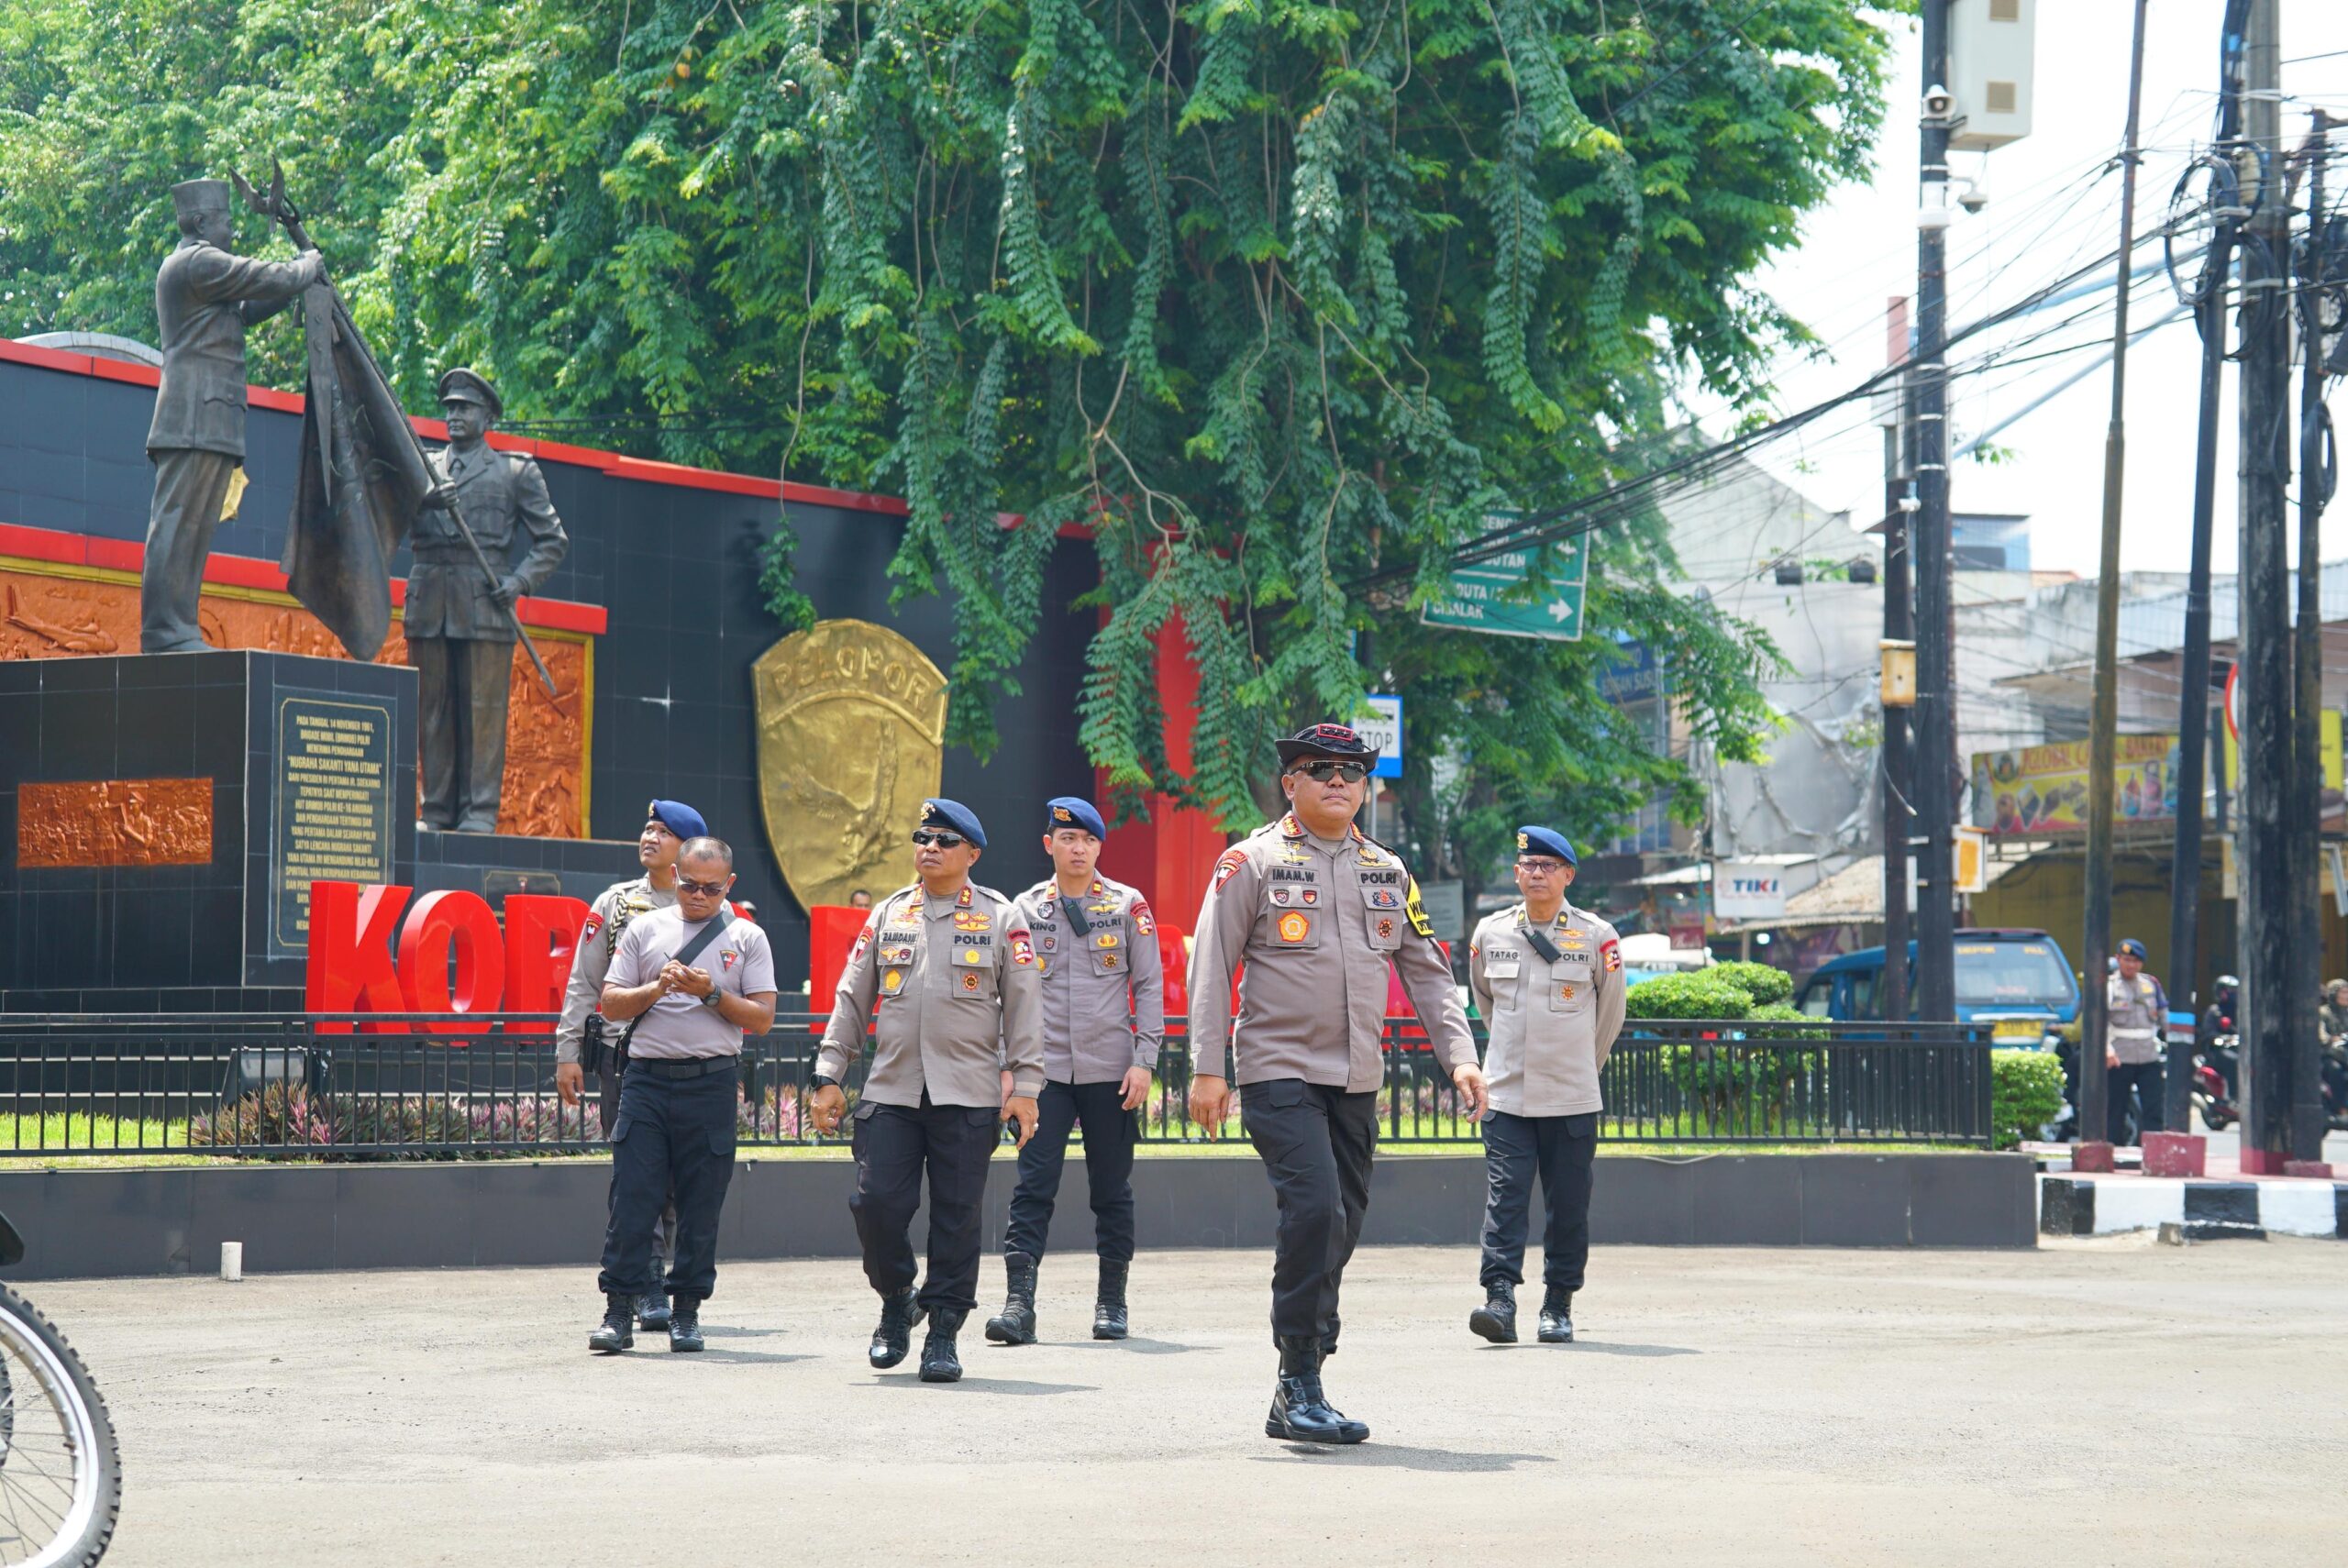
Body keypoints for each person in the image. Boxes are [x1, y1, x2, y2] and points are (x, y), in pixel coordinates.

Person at [1187, 723, 1486, 1445]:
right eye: (1319, 770)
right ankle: (1299, 1379)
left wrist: (1462, 1056)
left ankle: (1304, 1373)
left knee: (1341, 1224)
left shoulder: (1388, 870)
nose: (1337, 782)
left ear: (1366, 787)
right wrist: (1204, 1068)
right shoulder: (1249, 862)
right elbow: (1211, 967)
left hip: (1356, 1078)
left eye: (1351, 771)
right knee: (1316, 1210)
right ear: (1290, 783)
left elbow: (1427, 971)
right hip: (1278, 1070)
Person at [811, 801, 1045, 1383]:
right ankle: (896, 1298)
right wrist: (828, 1074)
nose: (930, 847)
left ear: (972, 854)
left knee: (956, 1218)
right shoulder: (889, 913)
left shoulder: (1000, 916)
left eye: (945, 839)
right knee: (875, 1204)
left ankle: (942, 1331)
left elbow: (1025, 1008)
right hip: (891, 1089)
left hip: (966, 1095)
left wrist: (1027, 1086)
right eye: (923, 837)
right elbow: (850, 997)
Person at [987, 797, 1165, 1346]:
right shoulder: (1023, 909)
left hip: (1111, 1072)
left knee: (1111, 1190)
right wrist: (1008, 1068)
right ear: (1050, 845)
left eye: (1087, 839)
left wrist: (1144, 1061)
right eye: (1067, 839)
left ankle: (1112, 1302)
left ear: (1098, 846)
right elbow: (1006, 993)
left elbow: (1150, 987)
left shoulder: (1127, 904)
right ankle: (1020, 1306)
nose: (1078, 848)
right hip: (1042, 1076)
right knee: (1033, 1186)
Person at [586, 837, 775, 1353]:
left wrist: (709, 993)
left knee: (700, 1204)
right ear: (674, 875)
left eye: (711, 889)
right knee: (632, 1199)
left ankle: (686, 1311)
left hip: (711, 1082)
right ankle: (618, 1311)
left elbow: (762, 1018)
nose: (698, 896)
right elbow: (610, 1002)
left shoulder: (747, 936)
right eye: (689, 884)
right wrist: (657, 989)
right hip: (646, 1080)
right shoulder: (646, 927)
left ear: (728, 885)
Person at [142, 179, 324, 653]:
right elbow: (264, 276)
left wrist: (296, 282)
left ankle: (178, 626)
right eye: (225, 220)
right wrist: (304, 266)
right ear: (201, 222)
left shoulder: (207, 277)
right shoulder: (196, 262)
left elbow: (248, 306)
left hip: (213, 419)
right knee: (178, 524)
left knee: (196, 531)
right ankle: (164, 630)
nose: (232, 229)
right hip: (192, 418)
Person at [1465, 827, 1624, 1346]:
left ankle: (1558, 1304)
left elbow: (1610, 1015)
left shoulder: (1598, 935)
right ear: (1516, 873)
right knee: (1505, 1200)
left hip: (1572, 1096)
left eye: (1549, 866)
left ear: (1568, 876)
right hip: (1507, 1095)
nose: (1537, 873)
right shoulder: (1490, 934)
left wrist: (1581, 1067)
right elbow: (1485, 1001)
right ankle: (1500, 1300)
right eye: (1529, 865)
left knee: (1569, 1203)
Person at [555, 799, 706, 1331]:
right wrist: (568, 1052)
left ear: (686, 851)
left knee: (675, 1178)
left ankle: (658, 1281)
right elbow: (584, 981)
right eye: (647, 827)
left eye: (663, 831)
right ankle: (643, 1284)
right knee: (637, 1175)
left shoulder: (714, 911)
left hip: (688, 1064)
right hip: (625, 1059)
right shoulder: (617, 904)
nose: (649, 836)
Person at [411, 368, 569, 833]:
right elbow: (392, 516)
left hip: (484, 601)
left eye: (465, 408)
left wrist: (519, 581)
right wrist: (425, 499)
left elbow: (552, 541)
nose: (454, 416)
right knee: (433, 709)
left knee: (481, 711)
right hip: (429, 600)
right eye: (450, 408)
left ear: (488, 416)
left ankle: (479, 811)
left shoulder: (515, 471)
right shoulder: (422, 466)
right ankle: (436, 808)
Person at [2104, 937, 2167, 1146]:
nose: (2131, 965)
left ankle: (2153, 1151)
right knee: (2116, 1108)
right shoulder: (2109, 986)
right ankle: (2114, 1150)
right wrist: (2106, 1050)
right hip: (2120, 1055)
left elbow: (2164, 1017)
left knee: (2154, 1108)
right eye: (2127, 959)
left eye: (2136, 961)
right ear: (2118, 959)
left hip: (2149, 1054)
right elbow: (2099, 1022)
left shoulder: (2151, 984)